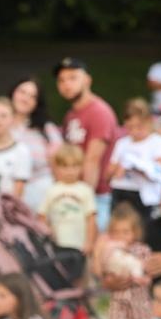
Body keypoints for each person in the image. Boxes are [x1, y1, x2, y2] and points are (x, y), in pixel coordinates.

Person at [55, 57, 119, 231]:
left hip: (94, 198)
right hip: (73, 194)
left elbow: (92, 160)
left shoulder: (99, 112)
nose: (67, 84)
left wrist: (84, 202)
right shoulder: (71, 115)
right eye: (61, 80)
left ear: (87, 80)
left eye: (73, 78)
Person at [98, 204, 153, 319]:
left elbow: (147, 271)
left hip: (140, 301)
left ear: (135, 232)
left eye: (126, 232)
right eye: (116, 232)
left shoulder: (142, 250)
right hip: (120, 302)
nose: (121, 237)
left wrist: (143, 277)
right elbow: (103, 271)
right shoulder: (109, 251)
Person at [106, 98, 161, 218]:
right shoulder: (122, 143)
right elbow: (109, 173)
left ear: (149, 122)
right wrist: (119, 168)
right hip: (121, 192)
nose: (135, 131)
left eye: (139, 127)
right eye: (130, 127)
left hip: (144, 196)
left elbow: (160, 170)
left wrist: (136, 165)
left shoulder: (158, 142)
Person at [9, 77, 64, 212]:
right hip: (7, 197)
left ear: (36, 103)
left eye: (32, 96)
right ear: (13, 93)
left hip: (41, 199)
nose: (25, 98)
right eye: (22, 92)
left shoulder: (46, 130)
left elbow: (60, 165)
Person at [41, 143, 98, 254]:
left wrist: (89, 242)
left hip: (79, 244)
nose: (70, 171)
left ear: (81, 167)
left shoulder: (85, 190)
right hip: (56, 243)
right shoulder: (52, 190)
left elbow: (91, 219)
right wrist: (47, 232)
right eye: (65, 166)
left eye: (74, 166)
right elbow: (42, 216)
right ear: (56, 167)